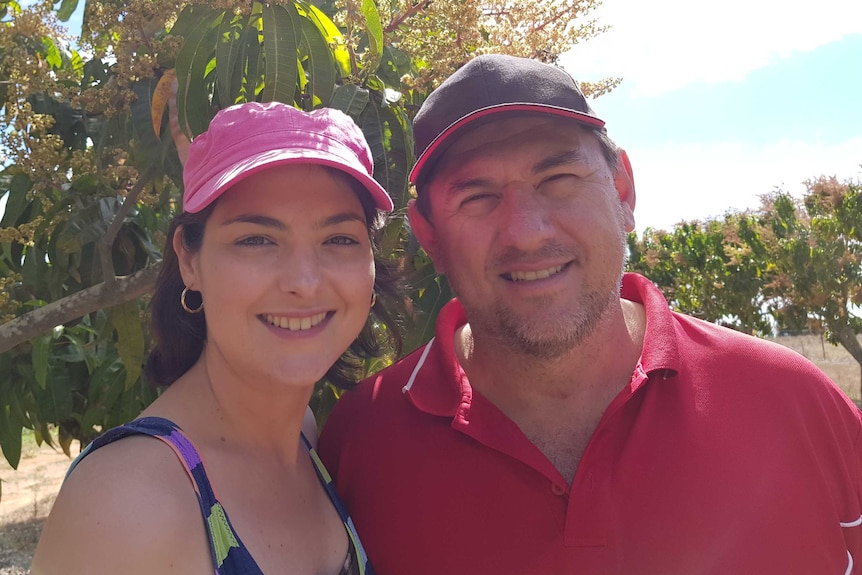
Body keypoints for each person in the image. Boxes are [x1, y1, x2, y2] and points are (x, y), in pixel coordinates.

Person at [318, 54, 862, 574]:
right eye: (478, 197)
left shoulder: (794, 404)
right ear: (429, 234)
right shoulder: (358, 446)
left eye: (559, 180)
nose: (526, 232)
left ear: (622, 190)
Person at [31, 101, 399, 575]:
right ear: (189, 260)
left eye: (340, 239)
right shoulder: (127, 503)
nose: (305, 282)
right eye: (256, 240)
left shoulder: (303, 435)